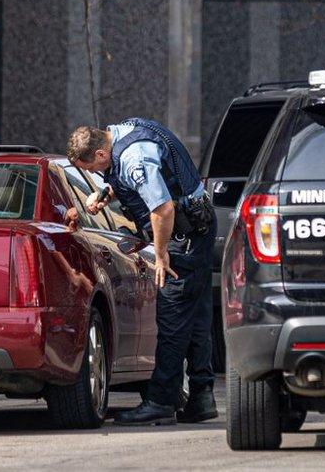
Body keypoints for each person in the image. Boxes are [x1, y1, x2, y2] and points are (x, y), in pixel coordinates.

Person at [66, 119, 217, 426]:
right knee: (197, 315)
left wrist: (160, 256)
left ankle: (161, 400)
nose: (95, 174)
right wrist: (108, 193)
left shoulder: (134, 157)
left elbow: (162, 209)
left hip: (182, 237)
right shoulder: (123, 130)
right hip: (198, 228)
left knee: (172, 318)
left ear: (99, 155)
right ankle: (201, 397)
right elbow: (149, 177)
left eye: (93, 170)